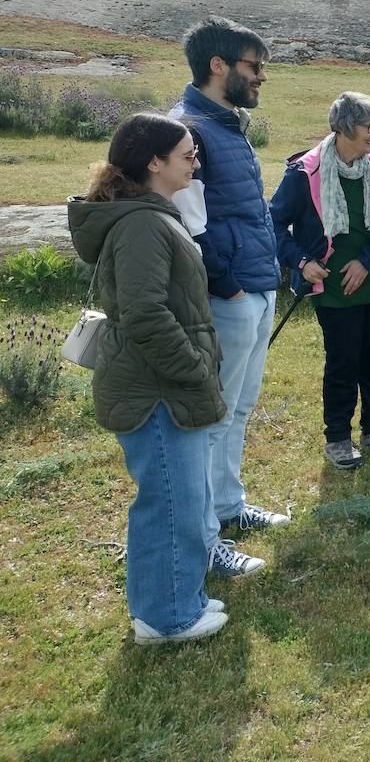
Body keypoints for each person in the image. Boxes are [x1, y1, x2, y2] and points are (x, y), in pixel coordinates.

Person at [68, 114, 230, 644]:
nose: (195, 161)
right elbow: (145, 315)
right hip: (156, 389)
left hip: (158, 383)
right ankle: (168, 619)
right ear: (153, 163)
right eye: (187, 154)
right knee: (169, 501)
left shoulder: (150, 214)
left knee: (173, 497)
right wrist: (194, 368)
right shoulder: (142, 224)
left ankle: (175, 600)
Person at [169, 17, 287, 579]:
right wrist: (229, 283)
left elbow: (244, 208)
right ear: (219, 66)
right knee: (212, 418)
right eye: (254, 66)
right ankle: (205, 539)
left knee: (238, 409)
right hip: (232, 294)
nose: (261, 77)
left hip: (257, 287)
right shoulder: (185, 128)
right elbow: (186, 225)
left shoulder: (226, 125)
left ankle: (228, 507)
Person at [269, 92, 370, 469]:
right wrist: (301, 262)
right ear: (346, 127)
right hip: (331, 291)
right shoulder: (304, 172)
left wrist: (366, 261)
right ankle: (338, 439)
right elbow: (274, 224)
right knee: (343, 363)